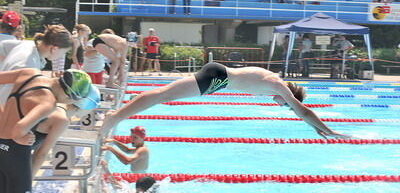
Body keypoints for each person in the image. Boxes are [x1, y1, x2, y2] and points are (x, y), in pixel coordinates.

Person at [101, 62, 350, 139]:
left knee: (162, 95)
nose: (282, 105)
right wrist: (329, 130)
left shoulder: (274, 80)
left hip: (219, 78)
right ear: (289, 97)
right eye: (286, 104)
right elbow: (304, 112)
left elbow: (301, 112)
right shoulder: (279, 87)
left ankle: (120, 112)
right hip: (219, 78)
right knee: (162, 95)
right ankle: (114, 117)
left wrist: (318, 130)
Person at [0, 68, 92, 193]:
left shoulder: (30, 73)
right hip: (15, 152)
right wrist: (21, 136)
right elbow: (18, 130)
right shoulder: (48, 103)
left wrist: (3, 113)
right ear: (68, 95)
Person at [32, 85, 100, 177]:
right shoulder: (62, 119)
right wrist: (28, 182)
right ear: (86, 106)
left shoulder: (56, 104)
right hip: (14, 154)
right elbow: (41, 154)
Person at [0, 24, 73, 107]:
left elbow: (2, 46)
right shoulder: (29, 66)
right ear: (54, 48)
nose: (62, 55)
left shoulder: (27, 44)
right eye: (64, 52)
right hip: (5, 109)